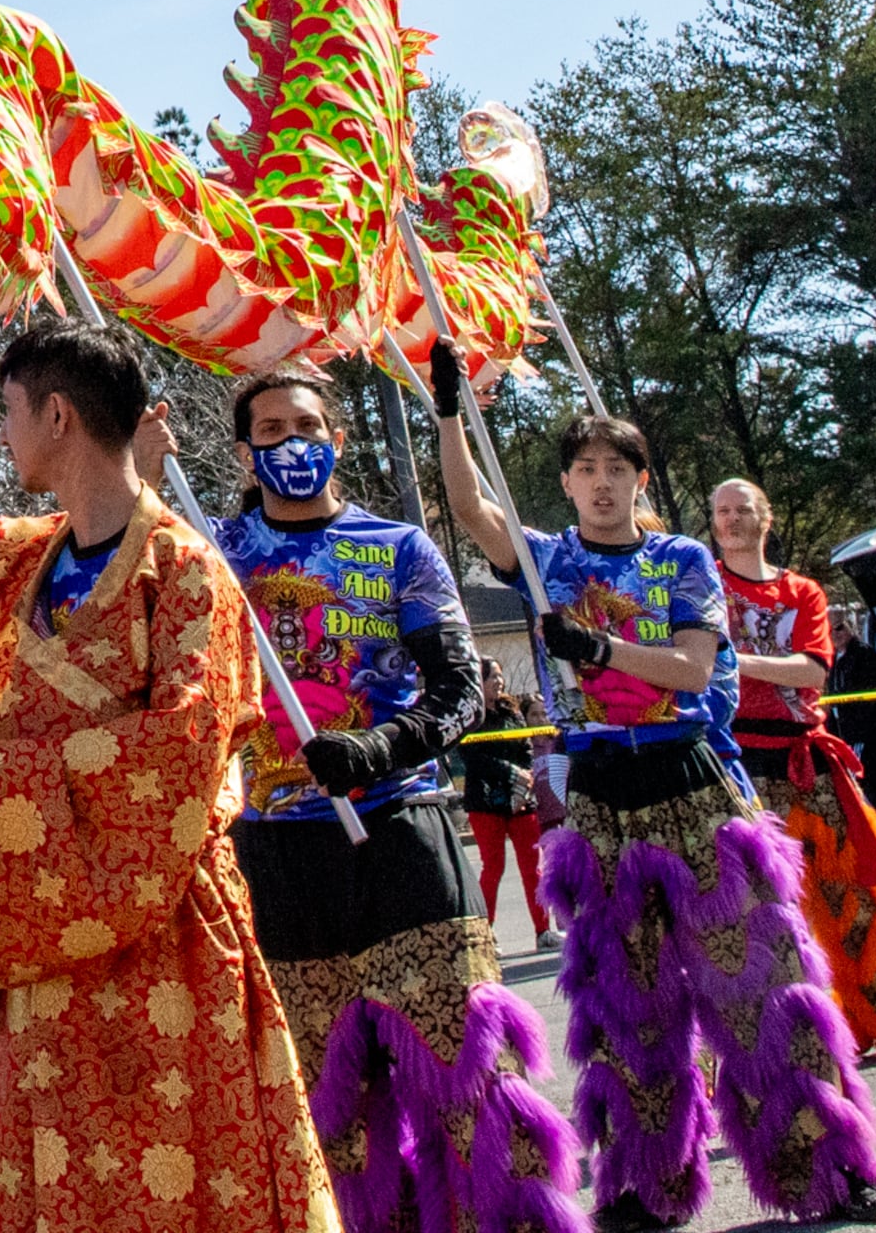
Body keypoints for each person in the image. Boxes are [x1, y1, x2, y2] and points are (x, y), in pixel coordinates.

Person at [0, 316, 333, 1233]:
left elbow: (180, 758)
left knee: (182, 1184)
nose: (1, 431)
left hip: (166, 943)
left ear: (56, 415)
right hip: (31, 952)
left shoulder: (187, 574)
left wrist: (2, 766)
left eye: (9, 409)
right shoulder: (9, 556)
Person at [429, 360, 876, 1229]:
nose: (603, 484)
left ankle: (833, 1167)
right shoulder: (546, 562)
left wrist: (599, 650)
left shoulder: (682, 557)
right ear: (566, 482)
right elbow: (470, 509)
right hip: (604, 801)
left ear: (640, 481)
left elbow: (692, 670)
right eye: (586, 470)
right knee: (627, 1007)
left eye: (619, 470)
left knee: (765, 989)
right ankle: (646, 1185)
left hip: (695, 790)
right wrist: (450, 412)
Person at [160, 371, 574, 1233]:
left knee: (467, 1081)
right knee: (331, 1114)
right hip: (272, 855)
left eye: (308, 425)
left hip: (401, 839)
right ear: (243, 452)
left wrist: (381, 748)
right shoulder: (206, 549)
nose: (290, 443)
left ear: (338, 440)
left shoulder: (400, 548)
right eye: (269, 430)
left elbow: (461, 688)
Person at [711, 479, 876, 1066]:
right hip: (732, 768)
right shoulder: (701, 585)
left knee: (861, 896)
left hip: (805, 764)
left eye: (743, 510)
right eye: (722, 512)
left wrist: (726, 658)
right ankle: (791, 1043)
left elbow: (811, 672)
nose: (733, 520)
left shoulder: (802, 593)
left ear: (764, 521)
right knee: (754, 916)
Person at [458, 659, 554, 951]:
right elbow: (473, 759)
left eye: (500, 676)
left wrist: (523, 778)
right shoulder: (469, 714)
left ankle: (543, 931)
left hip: (521, 800)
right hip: (485, 800)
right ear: (479, 680)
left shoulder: (511, 711)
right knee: (493, 866)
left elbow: (524, 746)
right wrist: (509, 773)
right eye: (491, 677)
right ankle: (485, 934)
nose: (498, 682)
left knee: (532, 867)